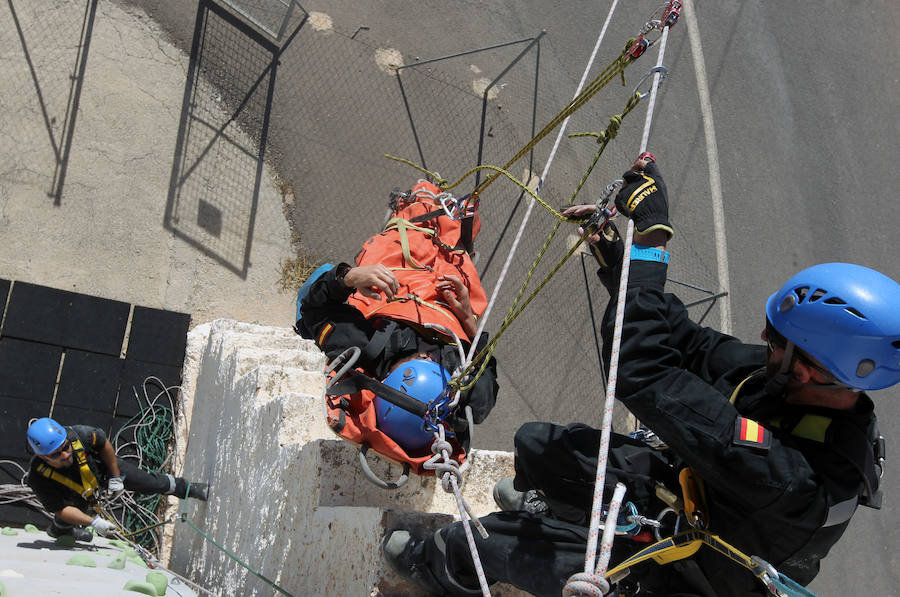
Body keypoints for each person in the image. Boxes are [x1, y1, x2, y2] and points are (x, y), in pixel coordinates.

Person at [381, 156, 899, 596]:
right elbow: (687, 342)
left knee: (493, 541)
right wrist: (621, 263)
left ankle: (442, 567)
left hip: (690, 572)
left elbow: (639, 369)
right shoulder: (789, 389)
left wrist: (652, 240)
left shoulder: (794, 478)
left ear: (810, 366)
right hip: (696, 498)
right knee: (538, 445)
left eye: (776, 339)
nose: (765, 341)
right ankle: (562, 508)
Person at [294, 180, 499, 454]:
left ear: (390, 378)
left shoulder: (365, 348)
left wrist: (348, 278)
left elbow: (314, 311)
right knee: (456, 248)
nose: (427, 355)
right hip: (448, 301)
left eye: (417, 362)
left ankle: (419, 198)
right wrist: (467, 319)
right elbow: (485, 362)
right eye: (433, 364)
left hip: (395, 280)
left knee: (400, 235)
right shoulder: (468, 396)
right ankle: (441, 210)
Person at [26, 417, 209, 542]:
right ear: (43, 457)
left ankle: (186, 488)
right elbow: (60, 509)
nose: (65, 455)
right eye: (56, 454)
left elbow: (104, 444)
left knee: (147, 482)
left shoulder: (78, 436)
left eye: (65, 447)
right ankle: (60, 531)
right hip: (72, 495)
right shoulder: (38, 477)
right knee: (73, 512)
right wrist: (93, 522)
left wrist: (115, 477)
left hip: (100, 471)